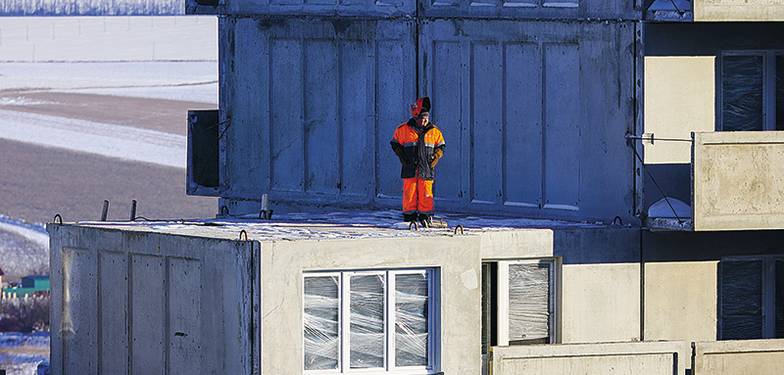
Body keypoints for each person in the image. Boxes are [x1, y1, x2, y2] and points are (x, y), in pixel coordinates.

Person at [390, 97, 445, 227]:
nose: (425, 119)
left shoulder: (434, 131)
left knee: (426, 193)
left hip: (426, 168)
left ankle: (425, 218)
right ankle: (409, 219)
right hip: (409, 168)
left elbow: (441, 145)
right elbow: (395, 143)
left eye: (426, 117)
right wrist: (402, 156)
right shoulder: (403, 129)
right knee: (410, 194)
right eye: (422, 117)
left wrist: (436, 156)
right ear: (416, 116)